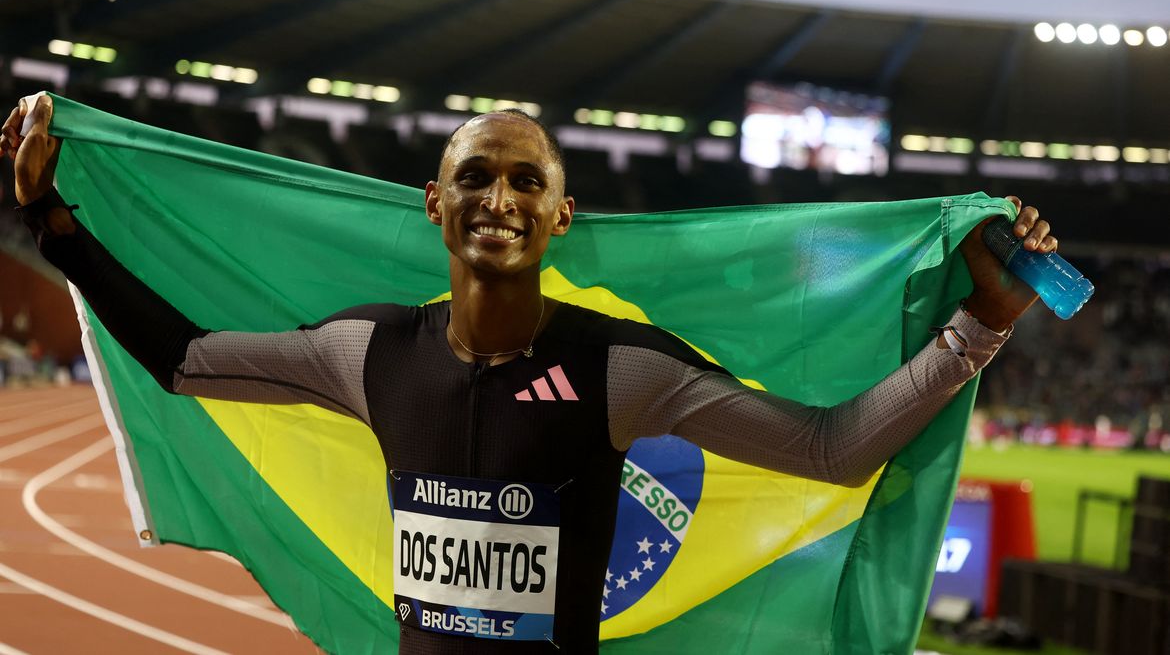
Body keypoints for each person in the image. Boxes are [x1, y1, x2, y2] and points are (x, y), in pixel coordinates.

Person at [3, 95, 1056, 654]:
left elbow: (831, 450)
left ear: (560, 214)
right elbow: (186, 362)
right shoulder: (364, 352)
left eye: (525, 179)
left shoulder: (617, 370)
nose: (498, 196)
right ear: (435, 202)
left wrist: (983, 324)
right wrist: (56, 226)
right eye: (475, 174)